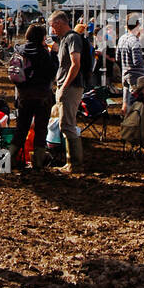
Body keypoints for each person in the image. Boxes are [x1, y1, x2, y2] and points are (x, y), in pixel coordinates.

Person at [9, 22, 57, 171]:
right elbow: (52, 72)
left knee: (21, 128)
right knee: (41, 129)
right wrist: (54, 53)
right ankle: (37, 161)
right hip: (42, 95)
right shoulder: (44, 53)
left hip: (24, 94)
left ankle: (9, 159)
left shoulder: (19, 50)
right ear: (42, 37)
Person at [48, 11, 89, 174]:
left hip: (70, 87)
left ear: (59, 23)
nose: (52, 30)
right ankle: (71, 162)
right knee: (65, 124)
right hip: (66, 85)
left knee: (67, 124)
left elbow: (75, 64)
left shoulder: (72, 38)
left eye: (52, 26)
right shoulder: (65, 39)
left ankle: (75, 163)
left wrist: (64, 85)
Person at [116, 15, 144, 110]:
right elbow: (137, 61)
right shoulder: (135, 41)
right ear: (137, 25)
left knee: (125, 101)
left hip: (125, 73)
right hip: (135, 76)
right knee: (134, 102)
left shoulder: (122, 39)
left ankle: (125, 118)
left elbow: (117, 57)